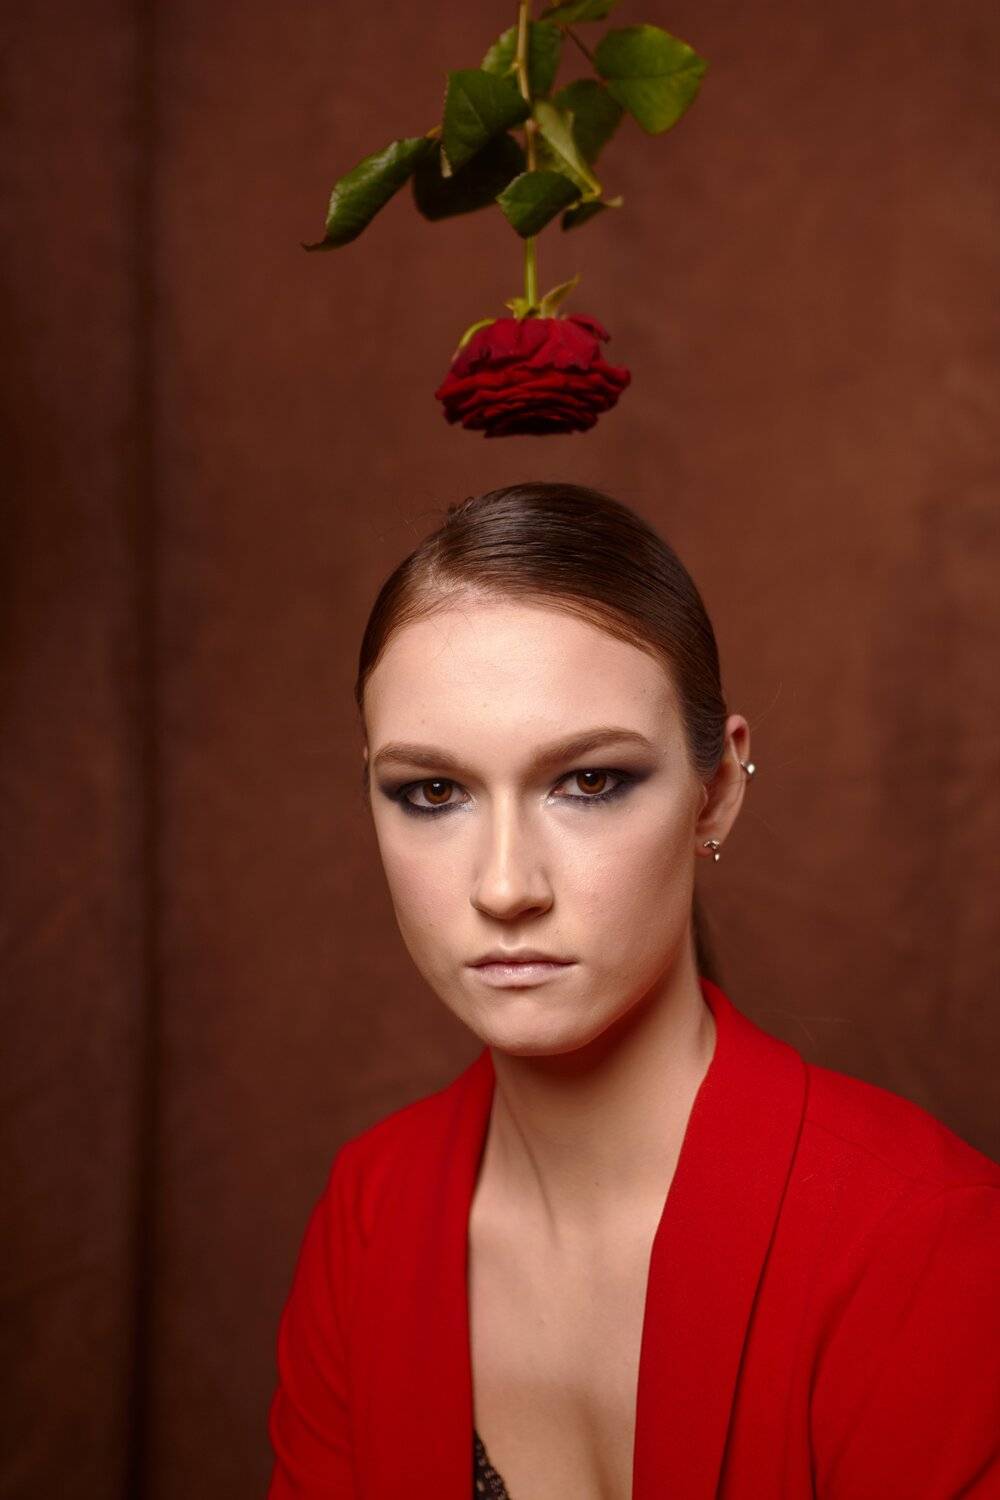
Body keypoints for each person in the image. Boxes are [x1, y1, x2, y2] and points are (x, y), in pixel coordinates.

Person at [266, 482, 1000, 1499]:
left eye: (589, 781)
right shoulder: (369, 1215)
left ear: (717, 790)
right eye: (432, 792)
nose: (505, 887)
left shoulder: (929, 1245)